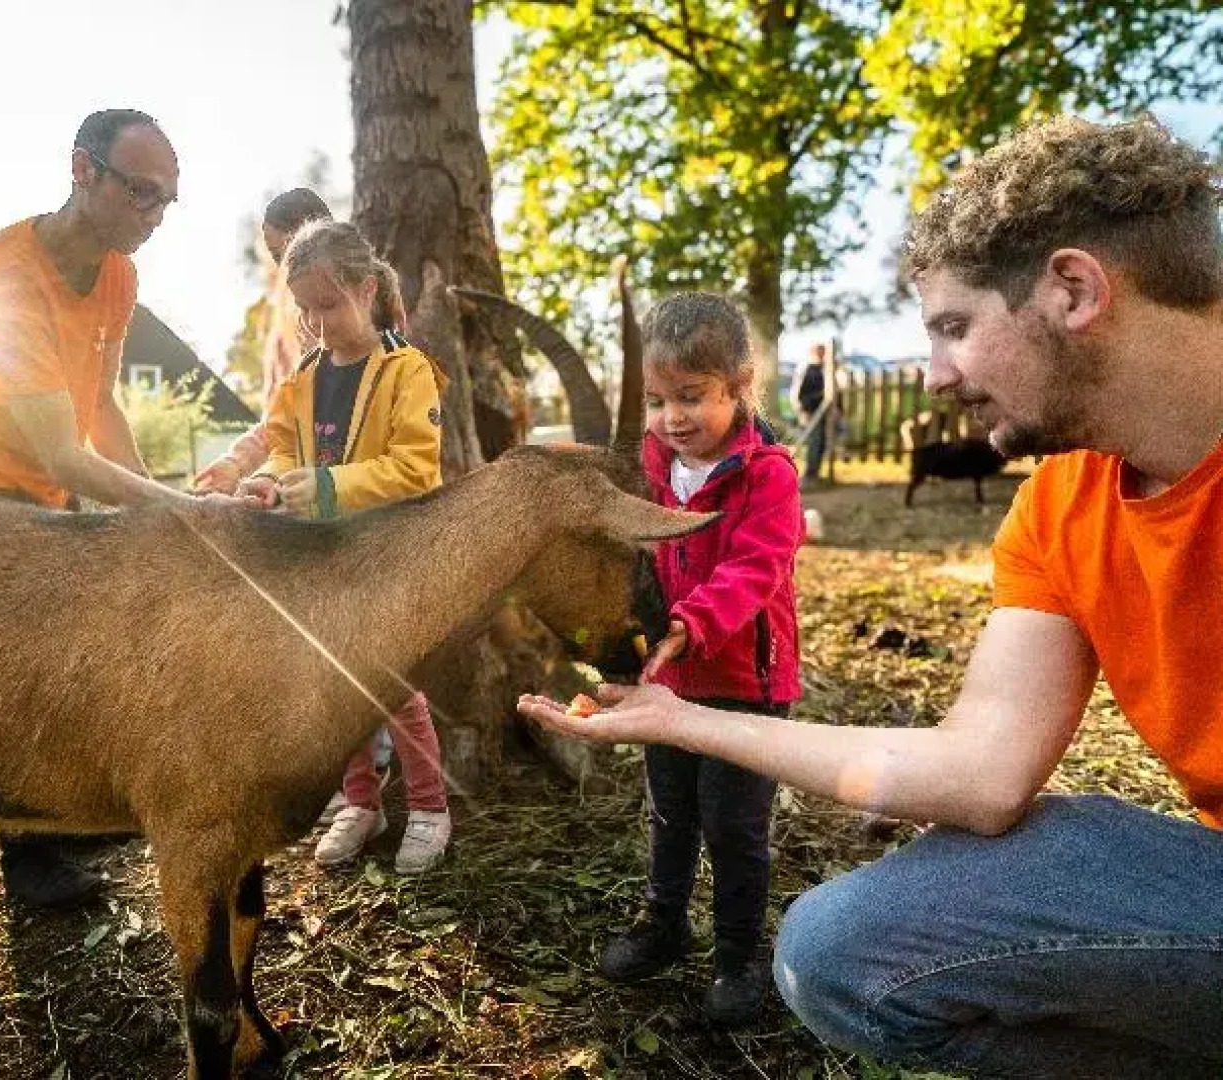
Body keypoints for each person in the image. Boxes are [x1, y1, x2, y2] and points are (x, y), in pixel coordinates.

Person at [518, 114, 1223, 1077]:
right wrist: (677, 719)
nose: (935, 378)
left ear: (1073, 289)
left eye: (954, 329)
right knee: (838, 953)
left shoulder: (764, 473)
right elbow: (980, 773)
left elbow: (757, 566)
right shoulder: (1061, 506)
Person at [0, 108, 200, 908]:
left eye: (168, 199)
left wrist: (157, 512)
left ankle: (62, 810)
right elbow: (62, 454)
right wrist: (177, 510)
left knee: (79, 643)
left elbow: (97, 406)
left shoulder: (118, 272)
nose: (154, 214)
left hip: (37, 469)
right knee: (21, 659)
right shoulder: (4, 277)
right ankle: (28, 857)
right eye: (141, 191)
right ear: (83, 170)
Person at [594, 293, 803, 1027]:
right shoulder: (654, 464)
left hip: (744, 685)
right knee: (670, 809)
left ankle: (741, 954)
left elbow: (755, 567)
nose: (673, 418)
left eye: (691, 397)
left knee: (733, 822)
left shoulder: (768, 476)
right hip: (673, 681)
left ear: (739, 386)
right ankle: (665, 922)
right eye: (658, 400)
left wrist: (689, 624)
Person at [235, 220, 453, 874]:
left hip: (384, 559)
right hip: (317, 559)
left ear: (365, 289)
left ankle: (431, 805)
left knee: (394, 686)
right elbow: (282, 448)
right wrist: (268, 483)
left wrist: (330, 488)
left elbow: (417, 469)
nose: (317, 322)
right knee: (332, 681)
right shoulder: (303, 375)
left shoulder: (406, 371)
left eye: (329, 305)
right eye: (305, 309)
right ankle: (360, 800)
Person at [193, 188, 338, 496]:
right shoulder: (286, 324)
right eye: (276, 257)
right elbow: (282, 420)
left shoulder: (356, 319)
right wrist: (239, 463)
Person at [788, 342, 831, 485]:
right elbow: (800, 393)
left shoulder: (824, 369)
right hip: (810, 411)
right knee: (815, 441)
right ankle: (810, 473)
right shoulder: (808, 369)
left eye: (823, 352)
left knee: (821, 441)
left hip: (822, 411)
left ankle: (816, 472)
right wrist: (804, 409)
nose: (822, 355)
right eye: (820, 352)